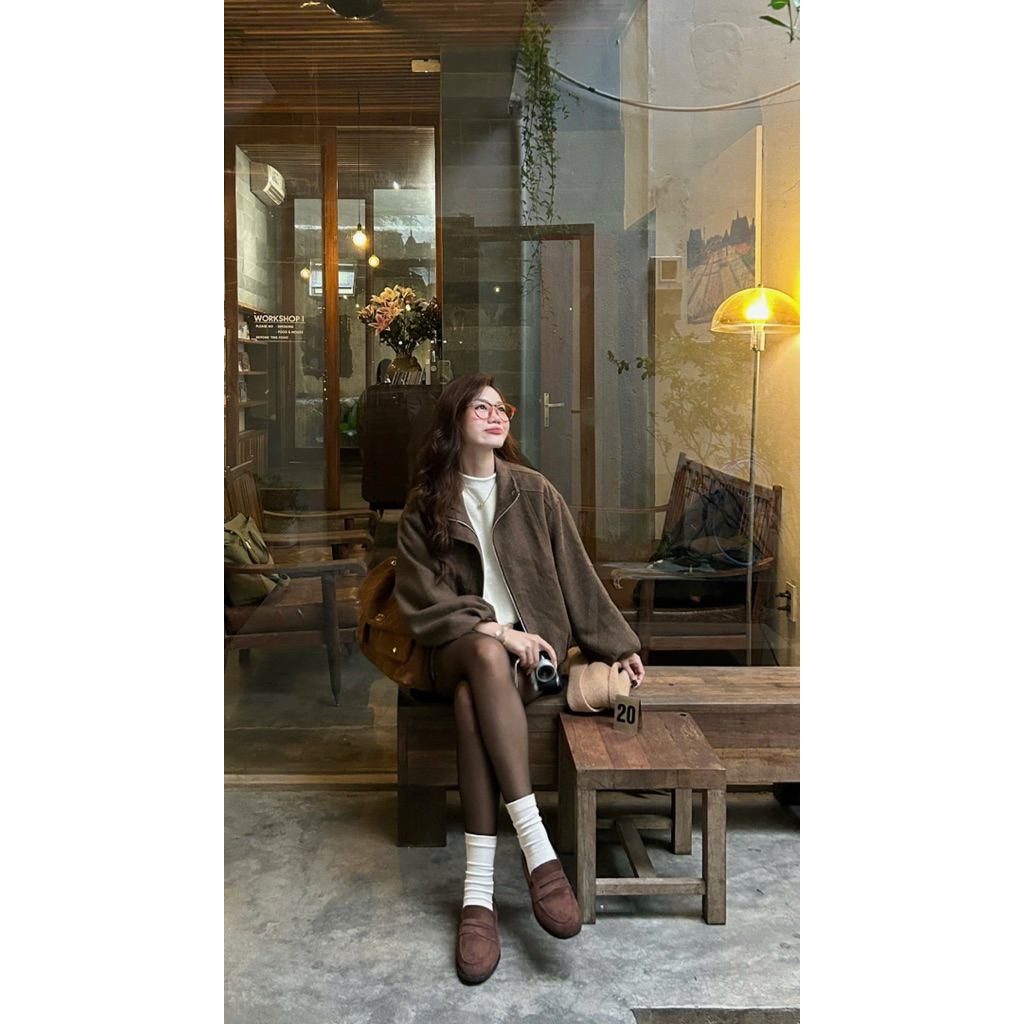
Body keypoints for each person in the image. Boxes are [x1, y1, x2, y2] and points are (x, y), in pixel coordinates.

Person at [395, 373, 645, 985]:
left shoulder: (533, 492)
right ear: (454, 420)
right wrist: (500, 633)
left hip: (528, 659)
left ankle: (477, 896)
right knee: (481, 660)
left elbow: (578, 575)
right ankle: (537, 846)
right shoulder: (425, 503)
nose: (496, 415)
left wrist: (619, 647)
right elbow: (423, 604)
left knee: (470, 701)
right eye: (479, 407)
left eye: (501, 407)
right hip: (455, 647)